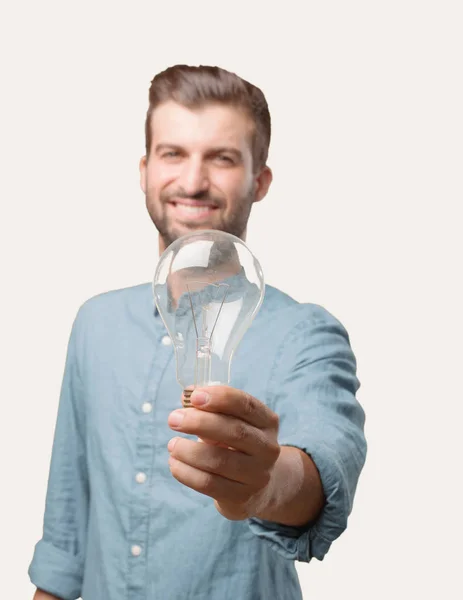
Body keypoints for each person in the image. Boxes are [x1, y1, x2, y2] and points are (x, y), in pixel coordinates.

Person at [28, 64, 367, 600]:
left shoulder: (306, 334)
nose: (191, 181)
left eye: (222, 158)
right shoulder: (95, 324)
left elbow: (324, 468)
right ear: (144, 170)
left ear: (260, 181)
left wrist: (264, 483)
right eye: (173, 154)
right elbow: (67, 532)